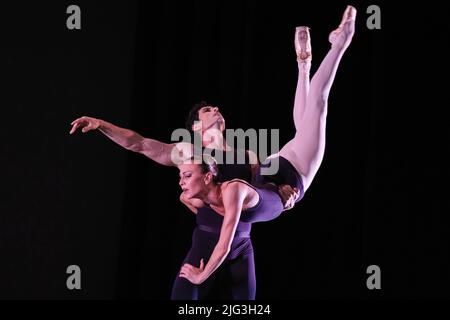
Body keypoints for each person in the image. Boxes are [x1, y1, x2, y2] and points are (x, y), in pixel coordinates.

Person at [174, 5, 357, 293]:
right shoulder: (195, 163)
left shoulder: (231, 161)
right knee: (314, 112)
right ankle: (334, 47)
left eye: (185, 177)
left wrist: (274, 189)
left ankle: (318, 56)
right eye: (184, 179)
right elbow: (146, 147)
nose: (184, 180)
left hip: (278, 164)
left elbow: (253, 190)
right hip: (296, 171)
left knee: (311, 115)